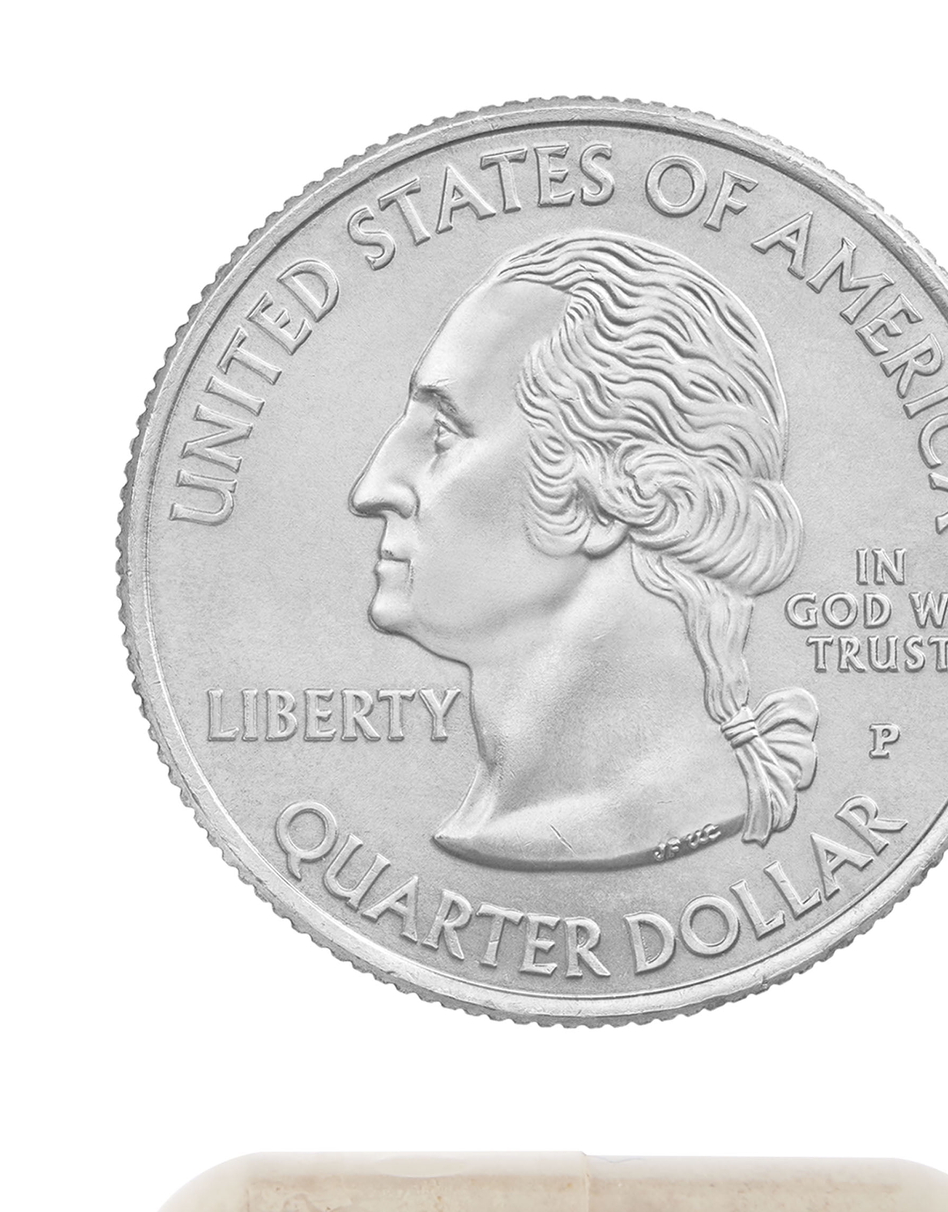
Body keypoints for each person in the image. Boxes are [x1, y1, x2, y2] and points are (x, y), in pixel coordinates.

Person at [349, 230, 818, 871]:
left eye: (443, 433)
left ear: (608, 496)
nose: (371, 489)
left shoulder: (642, 815)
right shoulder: (504, 823)